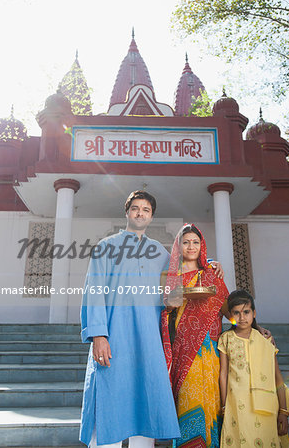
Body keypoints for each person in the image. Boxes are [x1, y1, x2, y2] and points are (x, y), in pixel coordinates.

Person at [80, 190, 181, 447]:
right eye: (135, 208)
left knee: (145, 402)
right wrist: (98, 335)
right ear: (127, 212)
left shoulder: (159, 252)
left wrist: (210, 264)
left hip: (147, 341)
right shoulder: (106, 247)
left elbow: (183, 276)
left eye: (146, 210)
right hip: (113, 338)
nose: (140, 213)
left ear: (151, 216)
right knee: (108, 400)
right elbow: (94, 291)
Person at [161, 223, 230, 447]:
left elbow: (232, 312)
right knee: (188, 401)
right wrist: (172, 301)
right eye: (186, 242)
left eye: (196, 242)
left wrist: (256, 329)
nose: (191, 246)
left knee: (212, 402)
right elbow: (165, 310)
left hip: (210, 351)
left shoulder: (212, 274)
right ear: (178, 246)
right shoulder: (171, 277)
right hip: (184, 349)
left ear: (203, 246)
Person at [218, 289, 289, 448]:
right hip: (236, 405)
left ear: (254, 313)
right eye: (236, 313)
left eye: (246, 312)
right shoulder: (226, 339)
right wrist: (224, 405)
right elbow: (223, 375)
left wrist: (283, 411)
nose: (242, 317)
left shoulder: (265, 340)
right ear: (231, 317)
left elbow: (277, 377)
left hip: (265, 406)